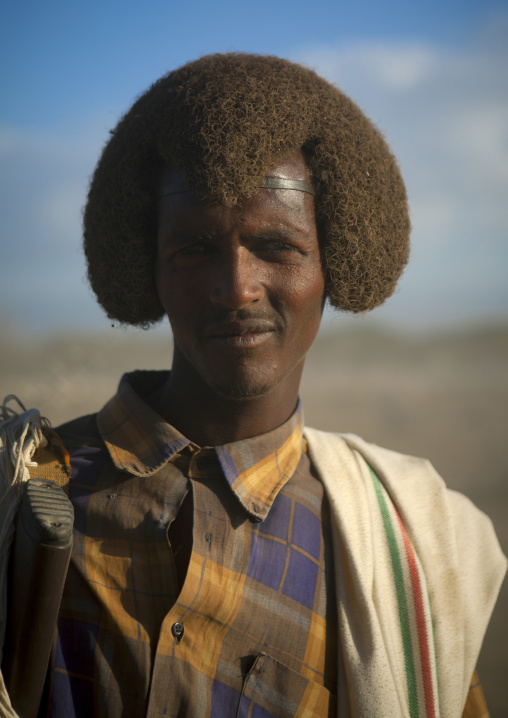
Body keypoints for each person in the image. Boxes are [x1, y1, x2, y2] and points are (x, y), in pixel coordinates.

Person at [17, 53, 508, 717]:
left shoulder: (409, 556)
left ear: (336, 261)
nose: (235, 289)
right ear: (148, 265)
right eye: (192, 248)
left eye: (277, 247)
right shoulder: (28, 495)